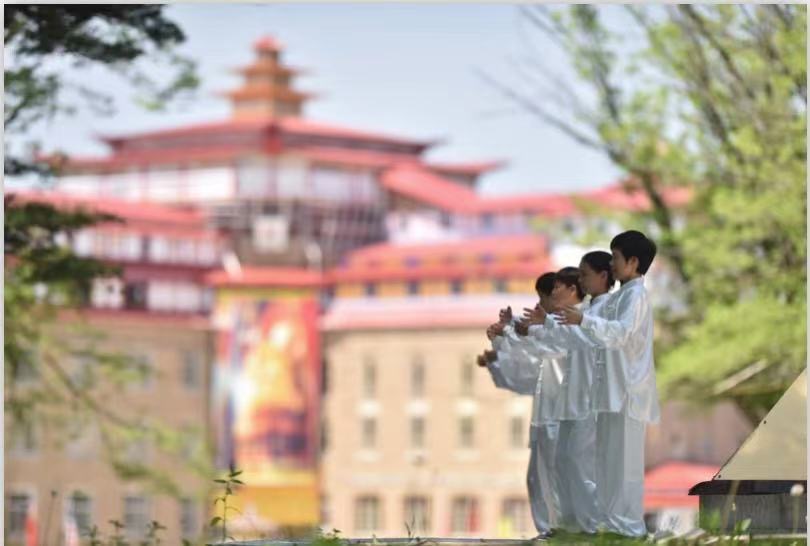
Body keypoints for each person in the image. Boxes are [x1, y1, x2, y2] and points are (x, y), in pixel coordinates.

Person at [521, 231, 660, 537]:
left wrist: (582, 322)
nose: (612, 264)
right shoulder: (621, 297)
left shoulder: (636, 296)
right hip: (610, 395)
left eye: (616, 258)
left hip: (626, 392)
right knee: (608, 467)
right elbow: (587, 336)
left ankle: (628, 528)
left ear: (633, 262)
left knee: (623, 468)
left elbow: (619, 333)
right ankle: (611, 526)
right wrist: (545, 327)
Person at [477, 271, 562, 538]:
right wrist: (499, 353)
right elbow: (527, 377)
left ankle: (563, 536)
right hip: (546, 422)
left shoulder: (568, 328)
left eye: (543, 298)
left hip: (564, 422)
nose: (538, 306)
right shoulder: (552, 329)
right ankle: (552, 536)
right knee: (538, 481)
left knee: (560, 483)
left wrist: (511, 333)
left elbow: (547, 354)